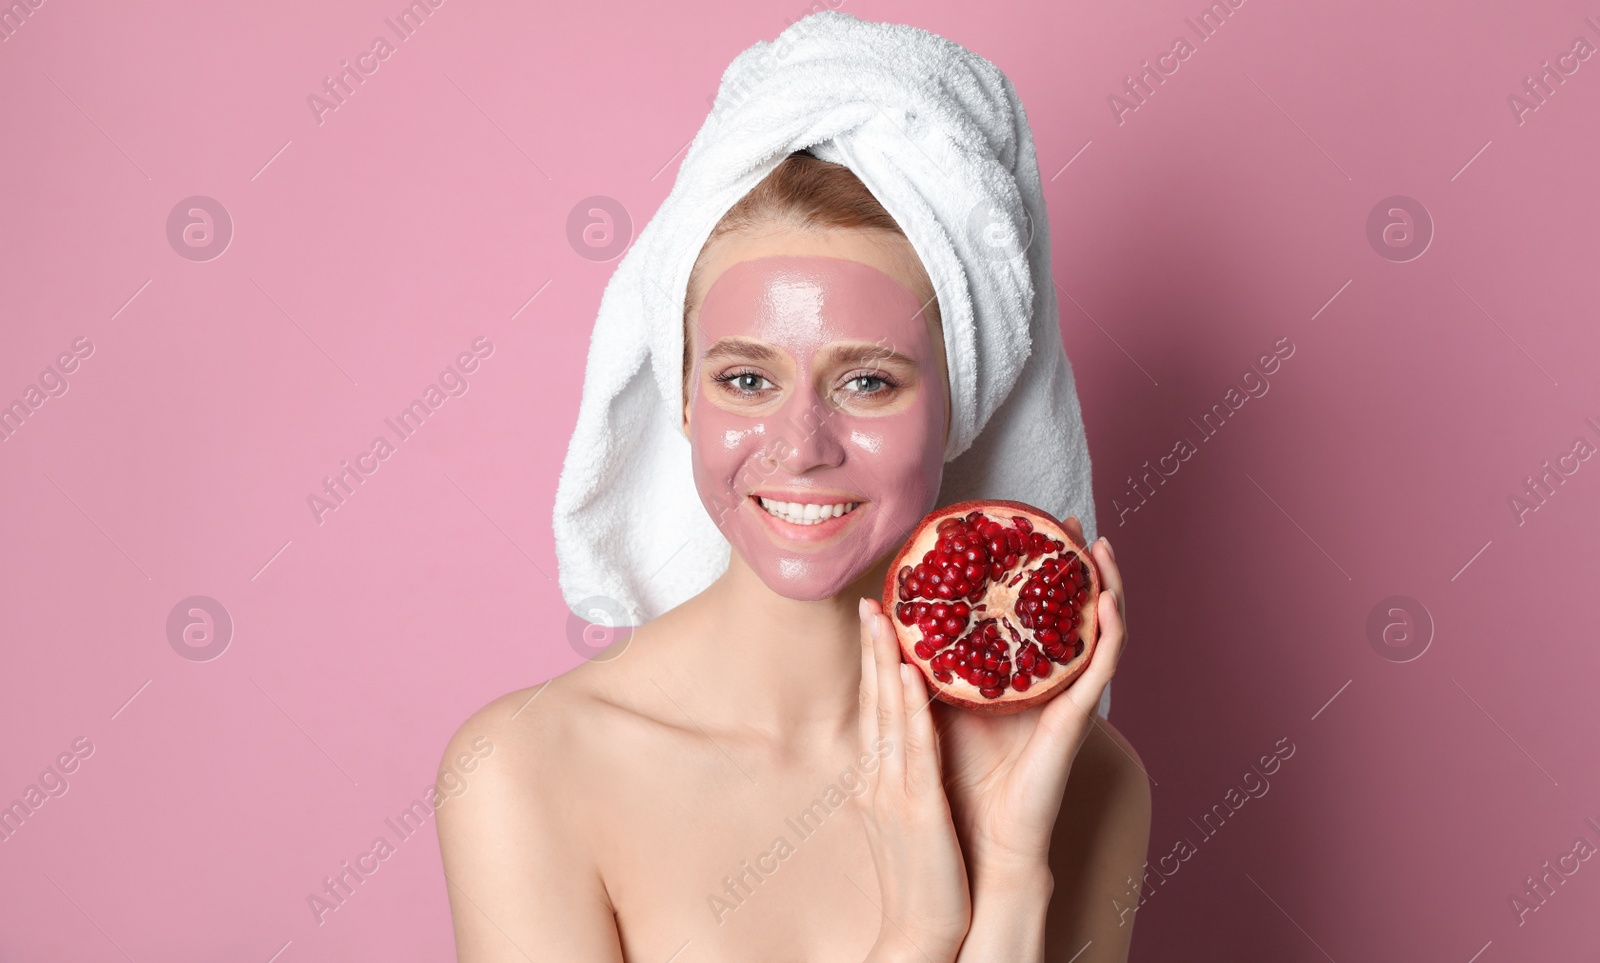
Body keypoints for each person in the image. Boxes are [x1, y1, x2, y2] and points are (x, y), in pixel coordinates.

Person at [436, 149, 1152, 961]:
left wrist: (1014, 875)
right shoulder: (527, 771)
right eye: (746, 378)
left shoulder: (1085, 784)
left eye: (869, 382)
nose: (801, 446)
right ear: (683, 398)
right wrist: (919, 934)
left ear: (960, 406)